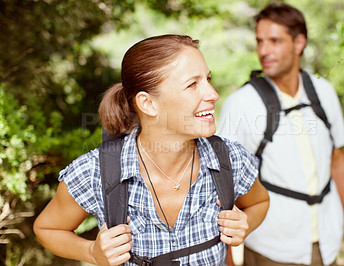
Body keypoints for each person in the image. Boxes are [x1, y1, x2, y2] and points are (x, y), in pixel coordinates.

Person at [33, 34, 270, 266]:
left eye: (208, 79)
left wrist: (245, 223)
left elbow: (259, 203)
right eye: (192, 85)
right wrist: (92, 252)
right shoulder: (95, 172)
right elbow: (47, 228)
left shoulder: (230, 159)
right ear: (148, 104)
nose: (213, 94)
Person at [218, 3, 344, 266]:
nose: (263, 51)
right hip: (270, 248)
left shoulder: (324, 92)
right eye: (260, 41)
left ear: (299, 43)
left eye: (274, 41)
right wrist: (227, 259)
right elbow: (221, 187)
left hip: (328, 241)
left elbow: (338, 161)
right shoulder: (241, 104)